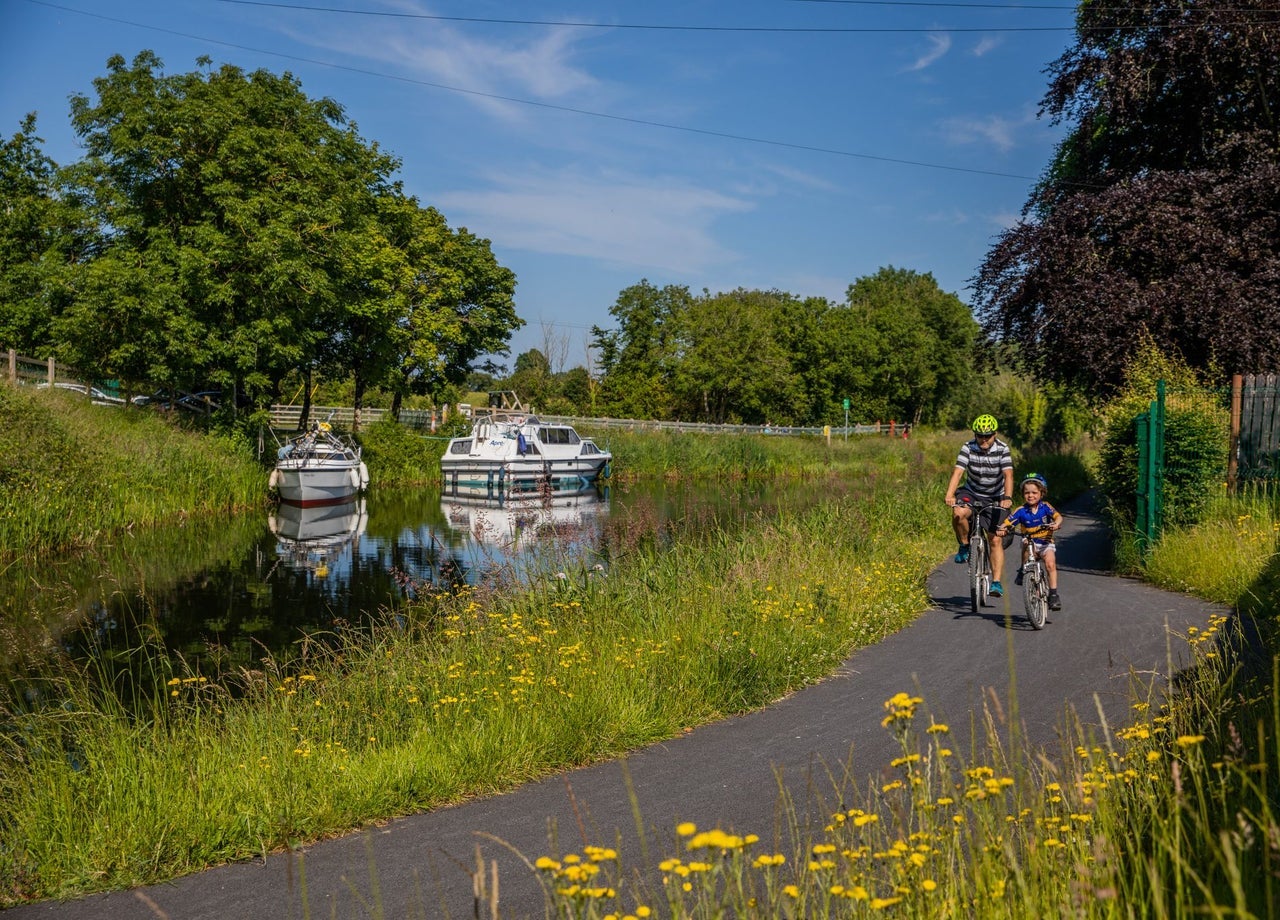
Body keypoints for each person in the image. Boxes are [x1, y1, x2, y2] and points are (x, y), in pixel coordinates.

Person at [944, 414, 1015, 597]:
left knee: (995, 539)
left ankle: (996, 583)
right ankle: (965, 545)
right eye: (980, 435)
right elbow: (958, 472)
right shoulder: (968, 447)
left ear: (995, 434)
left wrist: (1007, 497)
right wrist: (950, 494)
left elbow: (1008, 475)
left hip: (995, 496)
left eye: (988, 436)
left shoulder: (1002, 449)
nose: (984, 439)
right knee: (958, 513)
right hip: (972, 492)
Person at [997, 473, 1063, 610]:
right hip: (1030, 542)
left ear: (1042, 493)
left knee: (1050, 563)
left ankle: (1053, 594)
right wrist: (1002, 529)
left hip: (1046, 543)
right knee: (1026, 545)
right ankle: (1023, 569)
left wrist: (1056, 524)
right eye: (1027, 493)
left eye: (1034, 492)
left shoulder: (1045, 507)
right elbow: (1008, 522)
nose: (1030, 495)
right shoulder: (1021, 511)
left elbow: (1058, 517)